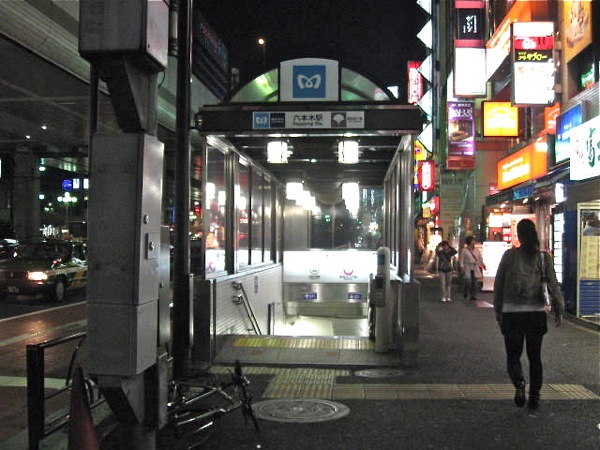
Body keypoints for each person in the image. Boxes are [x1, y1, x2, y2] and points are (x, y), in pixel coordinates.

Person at [493, 219, 564, 409]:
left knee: (513, 355)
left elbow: (499, 284)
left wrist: (498, 309)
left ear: (519, 235)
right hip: (536, 315)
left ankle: (519, 382)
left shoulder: (509, 256)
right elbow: (553, 285)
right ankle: (534, 396)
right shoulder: (543, 258)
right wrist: (559, 308)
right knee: (535, 357)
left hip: (512, 314)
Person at [460, 236, 485, 300]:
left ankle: (473, 295)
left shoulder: (477, 250)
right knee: (468, 281)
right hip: (468, 267)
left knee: (474, 282)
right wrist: (462, 266)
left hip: (475, 267)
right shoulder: (464, 250)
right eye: (473, 241)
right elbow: (462, 259)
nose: (474, 242)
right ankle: (465, 291)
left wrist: (482, 264)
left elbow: (480, 258)